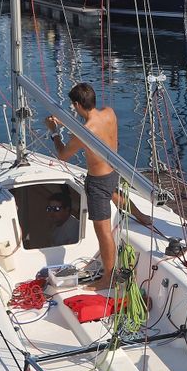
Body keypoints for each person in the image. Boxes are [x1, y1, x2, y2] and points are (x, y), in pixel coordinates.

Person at [45, 82, 150, 291]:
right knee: (115, 193)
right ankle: (142, 217)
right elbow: (94, 127)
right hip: (113, 171)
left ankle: (108, 278)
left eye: (73, 106)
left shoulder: (85, 131)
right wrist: (66, 123)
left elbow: (63, 155)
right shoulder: (109, 113)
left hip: (97, 182)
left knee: (103, 232)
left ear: (76, 104)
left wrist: (55, 132)